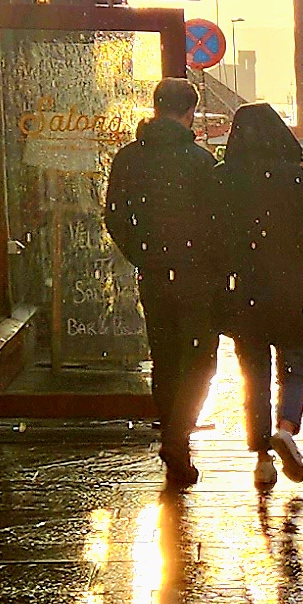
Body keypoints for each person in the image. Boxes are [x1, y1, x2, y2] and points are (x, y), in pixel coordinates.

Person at [103, 74, 227, 492]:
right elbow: (217, 221)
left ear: (155, 107)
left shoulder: (128, 159)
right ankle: (178, 438)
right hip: (196, 274)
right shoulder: (201, 161)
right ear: (189, 112)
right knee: (200, 360)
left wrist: (142, 253)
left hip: (153, 274)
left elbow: (115, 217)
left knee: (165, 356)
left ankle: (172, 437)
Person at [219, 102, 303, 488]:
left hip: (246, 290)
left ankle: (262, 459)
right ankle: (286, 428)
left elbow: (219, 237)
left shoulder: (227, 178)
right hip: (291, 286)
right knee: (294, 367)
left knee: (254, 375)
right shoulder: (293, 177)